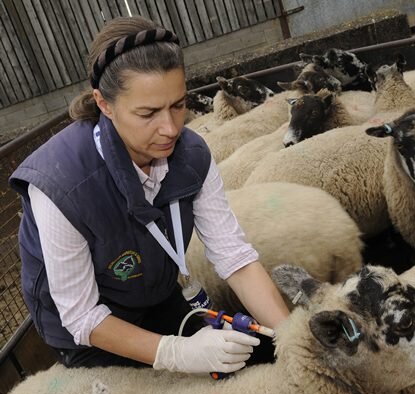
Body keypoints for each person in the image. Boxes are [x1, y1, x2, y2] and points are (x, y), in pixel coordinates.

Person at [9, 16, 290, 373]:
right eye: (148, 113)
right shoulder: (59, 184)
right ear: (104, 104)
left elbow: (234, 256)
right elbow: (81, 317)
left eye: (178, 104)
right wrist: (176, 353)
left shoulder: (192, 156)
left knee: (233, 375)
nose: (171, 128)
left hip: (156, 295)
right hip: (91, 336)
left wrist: (290, 337)